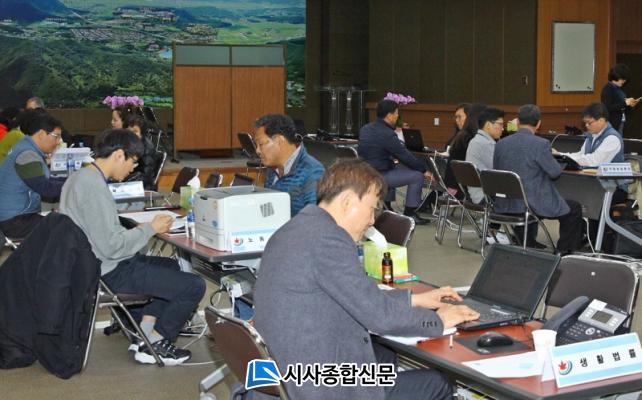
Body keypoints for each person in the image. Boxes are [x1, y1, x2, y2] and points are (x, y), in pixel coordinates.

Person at [254, 158, 479, 400]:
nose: (372, 220)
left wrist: (414, 300)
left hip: (285, 370)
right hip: (317, 382)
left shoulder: (296, 228)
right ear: (347, 201)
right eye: (371, 208)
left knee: (383, 356)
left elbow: (356, 295)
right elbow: (379, 317)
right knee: (437, 383)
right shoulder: (329, 239)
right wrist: (439, 320)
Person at [59, 129, 205, 366]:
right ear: (119, 155)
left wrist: (142, 230)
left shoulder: (81, 177)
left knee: (172, 266)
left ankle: (144, 333)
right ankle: (156, 344)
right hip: (108, 270)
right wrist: (150, 229)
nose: (132, 169)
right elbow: (112, 247)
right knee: (194, 286)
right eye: (133, 162)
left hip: (95, 262)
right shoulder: (93, 187)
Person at [493, 104, 582, 254]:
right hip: (530, 205)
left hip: (505, 203)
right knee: (574, 208)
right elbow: (554, 173)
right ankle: (563, 252)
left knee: (527, 195)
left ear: (518, 121)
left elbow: (497, 170)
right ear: (539, 123)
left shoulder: (500, 143)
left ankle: (526, 242)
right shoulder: (541, 144)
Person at [358, 99, 431, 225]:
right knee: (417, 176)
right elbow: (404, 156)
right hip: (379, 176)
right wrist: (424, 170)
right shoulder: (387, 133)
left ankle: (387, 207)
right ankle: (410, 213)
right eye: (396, 113)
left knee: (392, 167)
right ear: (389, 115)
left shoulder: (366, 128)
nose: (398, 116)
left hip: (365, 173)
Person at [0, 113, 66, 239]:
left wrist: (72, 179)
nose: (58, 142)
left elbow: (46, 180)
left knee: (61, 221)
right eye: (56, 136)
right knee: (67, 227)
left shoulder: (25, 147)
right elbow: (46, 188)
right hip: (15, 221)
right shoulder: (27, 155)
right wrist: (76, 185)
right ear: (41, 134)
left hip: (16, 216)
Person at [555, 102, 628, 204]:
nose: (586, 126)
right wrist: (560, 155)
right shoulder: (591, 136)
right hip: (595, 183)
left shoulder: (612, 138)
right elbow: (581, 155)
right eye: (585, 123)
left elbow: (594, 161)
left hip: (613, 187)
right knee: (567, 194)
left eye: (589, 123)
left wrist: (564, 156)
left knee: (576, 198)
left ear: (601, 120)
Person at [254, 113, 325, 217]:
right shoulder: (272, 170)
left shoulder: (312, 172)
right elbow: (267, 212)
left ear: (279, 141)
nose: (257, 150)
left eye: (261, 144)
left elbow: (316, 219)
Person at [443, 103, 487, 193]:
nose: (456, 120)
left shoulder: (463, 136)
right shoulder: (469, 138)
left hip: (456, 186)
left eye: (459, 117)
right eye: (456, 117)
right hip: (465, 187)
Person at [465, 107, 504, 204]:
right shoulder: (486, 144)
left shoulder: (476, 140)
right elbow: (501, 170)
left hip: (476, 193)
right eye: (500, 124)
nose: (502, 128)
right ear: (488, 125)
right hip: (485, 196)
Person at [123, 113, 161, 190]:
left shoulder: (147, 148)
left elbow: (146, 174)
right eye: (128, 131)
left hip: (143, 185)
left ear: (142, 133)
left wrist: (123, 179)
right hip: (130, 180)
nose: (131, 134)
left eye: (135, 131)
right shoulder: (126, 144)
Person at [600, 64, 640, 133]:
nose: (624, 81)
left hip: (620, 122)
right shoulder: (608, 88)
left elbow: (621, 107)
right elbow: (607, 107)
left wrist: (631, 105)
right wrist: (625, 103)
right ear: (617, 76)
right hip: (611, 123)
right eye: (623, 79)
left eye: (625, 79)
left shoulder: (619, 88)